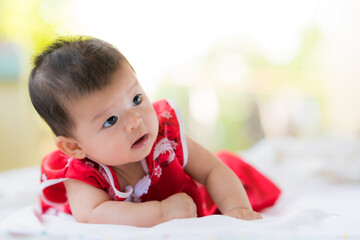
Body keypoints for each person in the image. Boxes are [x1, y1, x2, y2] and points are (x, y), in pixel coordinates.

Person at [29, 36, 281, 227]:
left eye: (136, 99)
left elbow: (213, 169)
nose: (135, 122)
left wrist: (236, 209)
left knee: (232, 169)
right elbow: (93, 215)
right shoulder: (82, 173)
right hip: (173, 205)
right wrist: (161, 213)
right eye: (111, 120)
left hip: (199, 198)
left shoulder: (166, 134)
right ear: (75, 147)